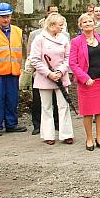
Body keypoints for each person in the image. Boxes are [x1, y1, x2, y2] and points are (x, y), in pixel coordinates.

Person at [69, 13, 100, 150]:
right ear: (80, 25)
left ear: (94, 23)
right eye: (85, 22)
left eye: (90, 21)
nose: (88, 24)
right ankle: (89, 138)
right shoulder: (76, 41)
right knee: (88, 112)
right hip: (87, 83)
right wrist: (85, 78)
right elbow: (73, 63)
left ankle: (99, 138)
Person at [29, 13, 73, 145]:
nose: (62, 27)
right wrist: (49, 73)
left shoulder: (64, 38)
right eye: (60, 25)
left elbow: (68, 57)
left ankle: (66, 134)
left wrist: (60, 71)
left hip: (61, 76)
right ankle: (48, 135)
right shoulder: (39, 39)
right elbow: (34, 59)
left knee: (64, 105)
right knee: (46, 106)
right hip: (44, 77)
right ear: (52, 25)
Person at [0, 2, 27, 137]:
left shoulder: (18, 31)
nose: (6, 19)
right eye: (3, 17)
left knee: (12, 98)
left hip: (13, 71)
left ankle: (11, 124)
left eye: (8, 16)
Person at [27, 5, 62, 134]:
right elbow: (30, 55)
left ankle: (58, 124)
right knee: (39, 101)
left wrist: (64, 72)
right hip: (40, 73)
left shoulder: (64, 35)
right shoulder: (35, 35)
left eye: (56, 12)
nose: (54, 14)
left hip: (59, 73)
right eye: (52, 12)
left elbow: (67, 56)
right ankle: (38, 125)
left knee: (59, 101)